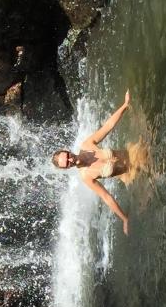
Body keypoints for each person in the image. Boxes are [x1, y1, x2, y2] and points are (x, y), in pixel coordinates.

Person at [51, 90, 132, 235]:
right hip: (132, 174)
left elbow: (108, 126)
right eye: (67, 163)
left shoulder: (87, 145)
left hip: (134, 153)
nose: (70, 160)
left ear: (68, 151)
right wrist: (124, 218)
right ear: (67, 168)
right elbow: (106, 197)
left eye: (68, 156)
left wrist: (125, 105)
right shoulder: (86, 177)